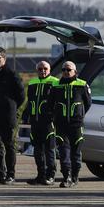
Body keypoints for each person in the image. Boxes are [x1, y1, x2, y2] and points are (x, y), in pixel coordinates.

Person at [0, 46, 26, 184]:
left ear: (4, 59)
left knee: (9, 145)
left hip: (7, 116)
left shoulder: (12, 75)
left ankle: (10, 174)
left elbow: (21, 96)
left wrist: (11, 107)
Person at [51, 60, 92, 188]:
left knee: (76, 152)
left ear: (75, 71)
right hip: (61, 125)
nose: (66, 72)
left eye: (69, 70)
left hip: (76, 125)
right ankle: (66, 177)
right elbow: (50, 103)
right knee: (63, 152)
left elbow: (88, 103)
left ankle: (75, 177)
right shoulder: (56, 85)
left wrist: (79, 114)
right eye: (63, 70)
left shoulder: (82, 85)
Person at [22, 60, 59, 185]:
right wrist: (26, 115)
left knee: (49, 149)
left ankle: (51, 175)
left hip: (48, 122)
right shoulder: (33, 82)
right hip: (35, 122)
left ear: (49, 70)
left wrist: (54, 117)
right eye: (40, 69)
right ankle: (40, 175)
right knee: (37, 150)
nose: (43, 71)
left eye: (45, 69)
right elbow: (30, 101)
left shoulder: (55, 82)